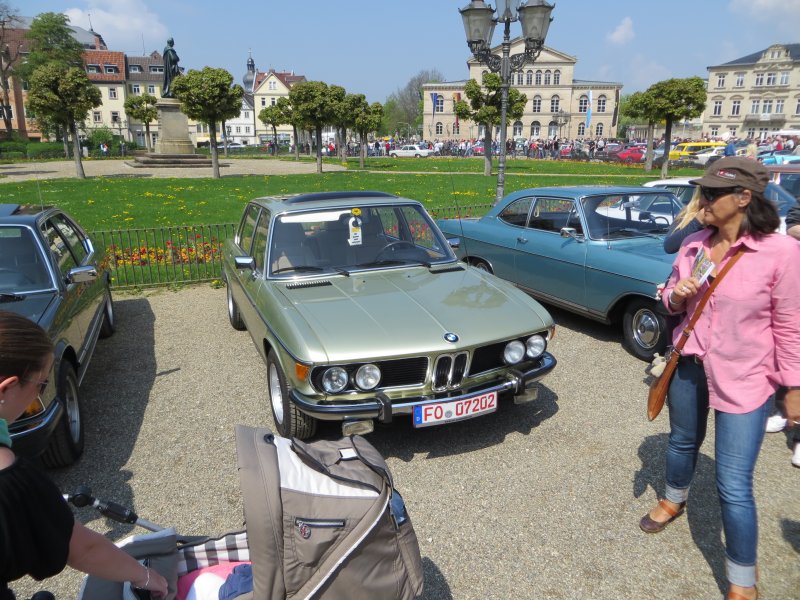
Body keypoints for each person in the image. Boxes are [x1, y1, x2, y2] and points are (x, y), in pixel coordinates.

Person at [639, 157, 800, 600]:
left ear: (744, 198)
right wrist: (677, 294)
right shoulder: (692, 245)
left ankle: (742, 580)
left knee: (733, 483)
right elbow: (669, 300)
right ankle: (674, 497)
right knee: (681, 440)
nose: (701, 201)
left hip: (746, 377)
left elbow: (790, 325)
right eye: (702, 192)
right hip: (689, 364)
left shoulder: (781, 252)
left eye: (711, 193)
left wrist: (793, 388)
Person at [0, 311, 168, 599]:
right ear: (7, 387)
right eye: (40, 385)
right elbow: (82, 549)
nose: (39, 397)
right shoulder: (11, 479)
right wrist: (148, 577)